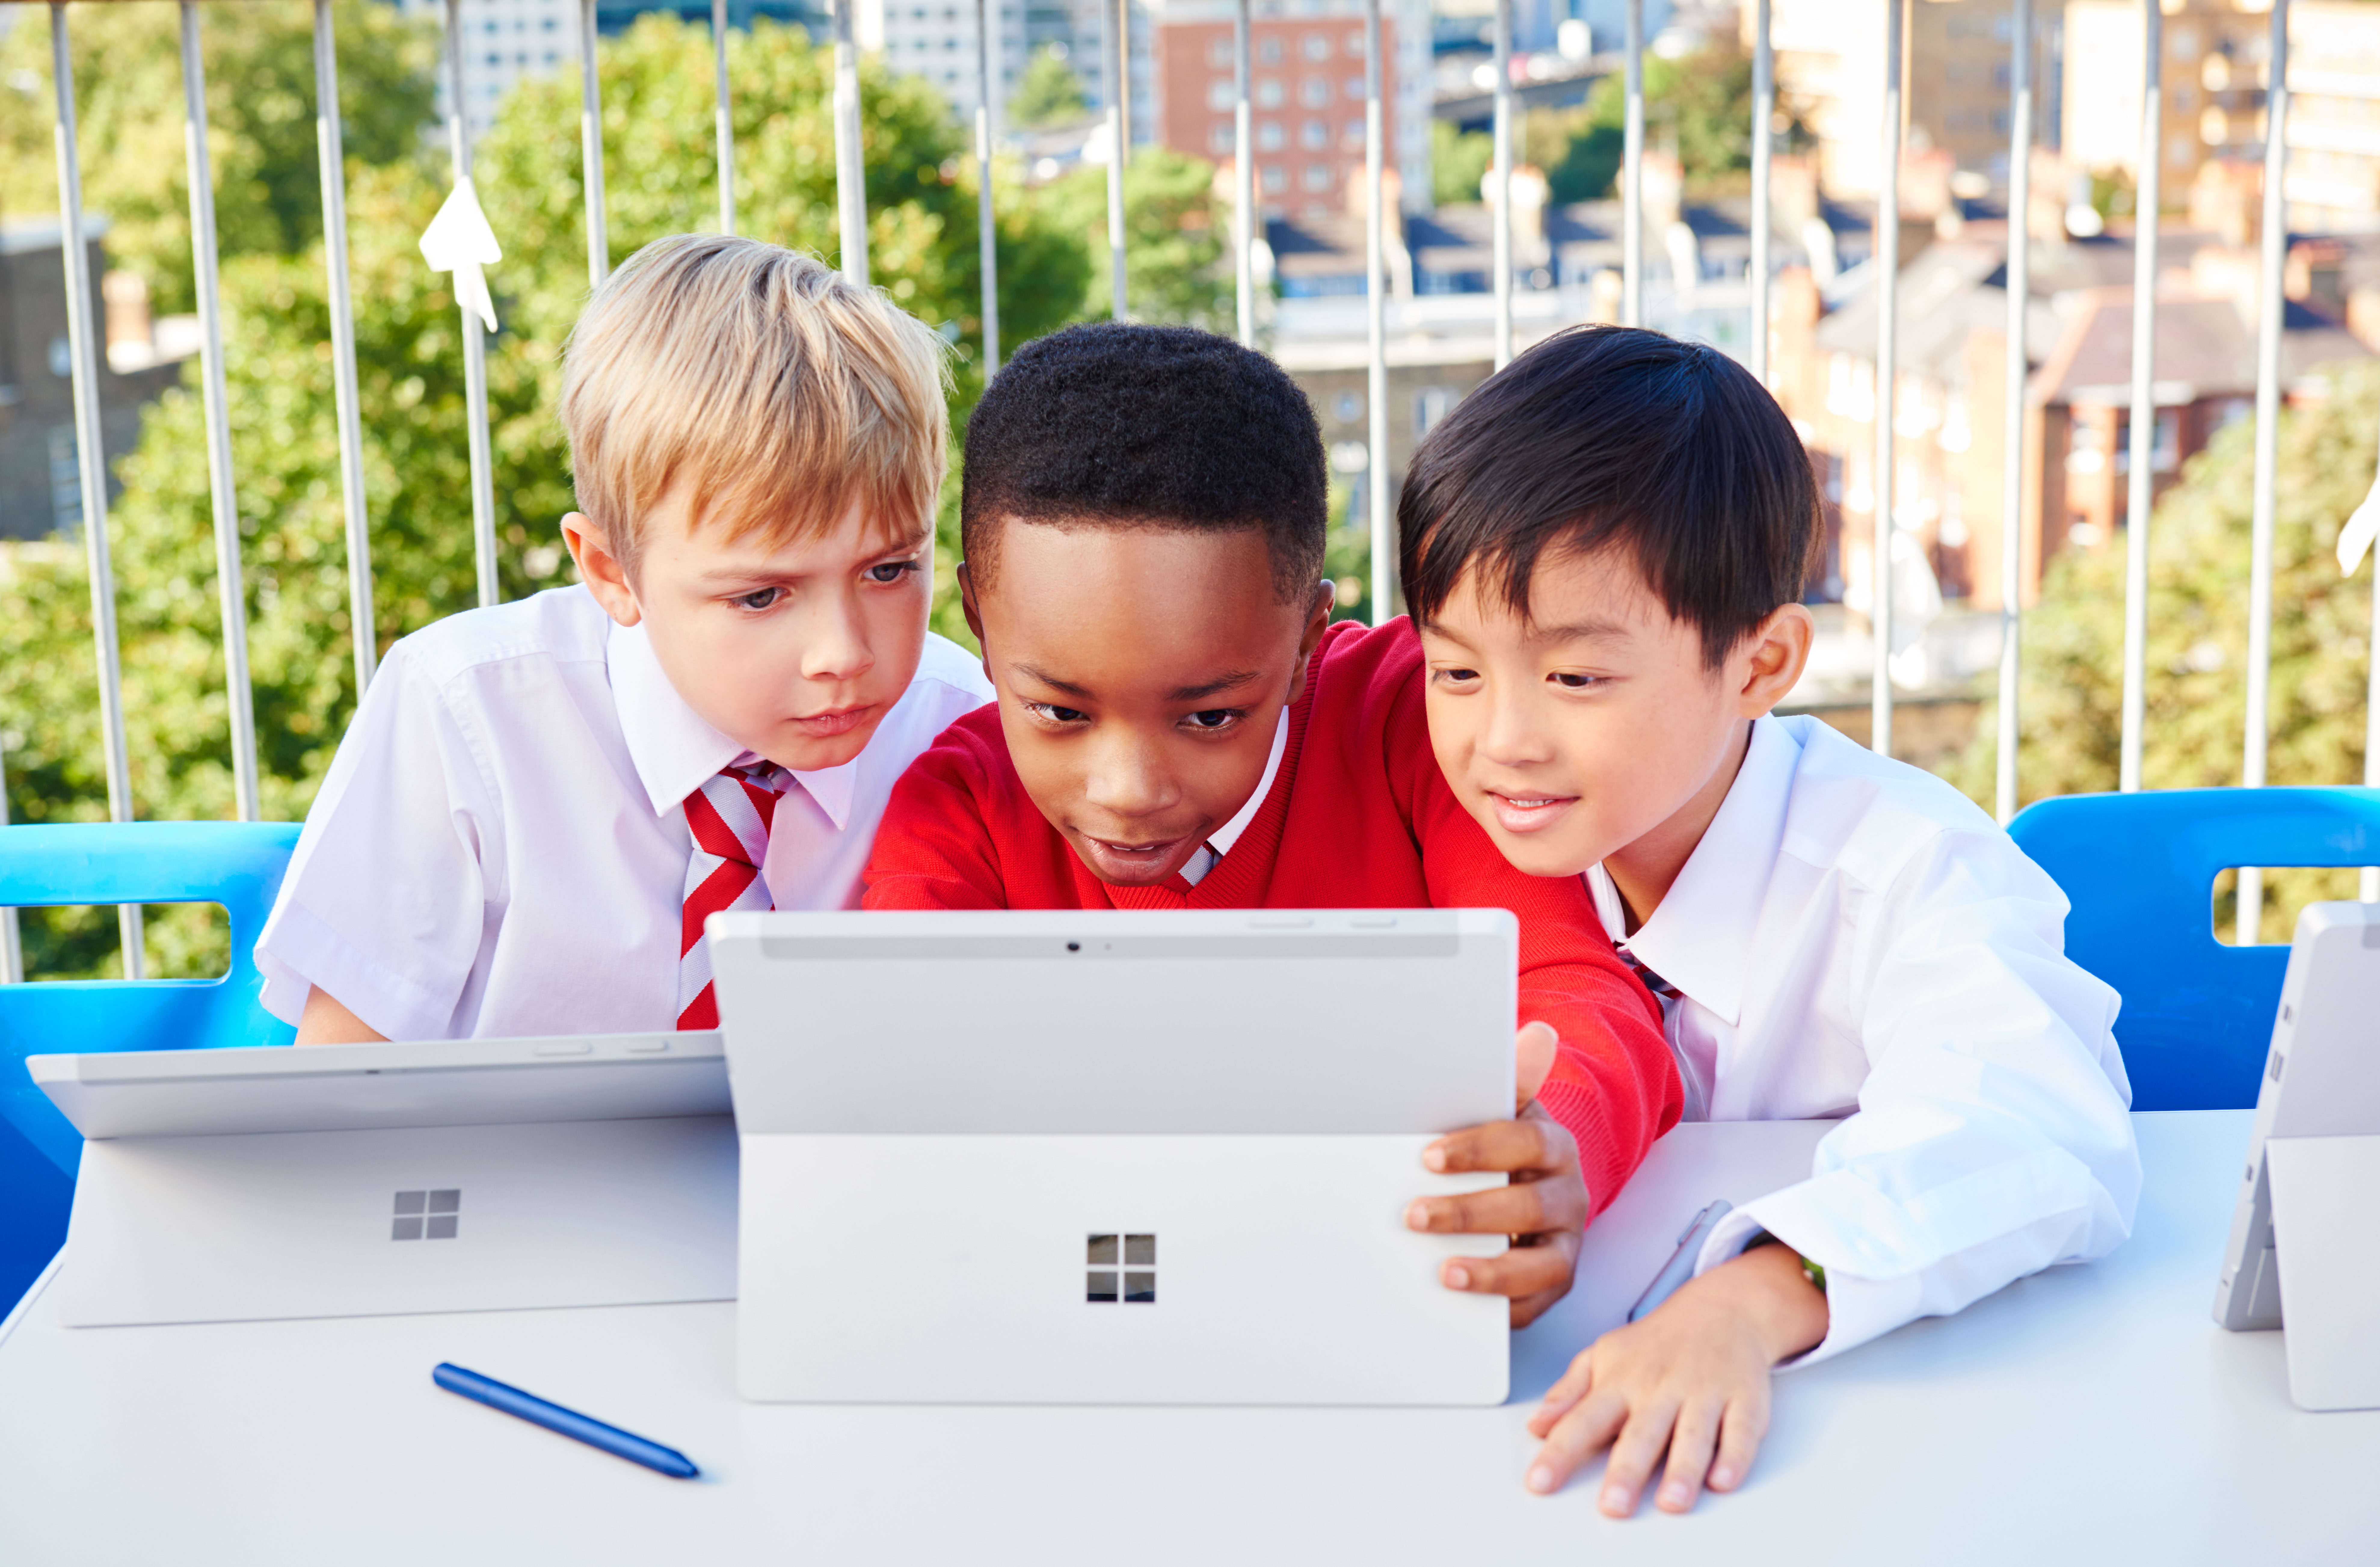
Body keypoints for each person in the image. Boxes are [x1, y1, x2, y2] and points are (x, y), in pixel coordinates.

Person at [1398, 325, 2139, 1513]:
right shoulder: (1455, 845)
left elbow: (2030, 1123)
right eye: (1455, 671)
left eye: (1575, 677)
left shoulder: (1907, 866)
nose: (1502, 741)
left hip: (1889, 1467)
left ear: (1760, 664)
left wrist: (1745, 1299)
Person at [863, 322, 1683, 1325]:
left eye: (1209, 715)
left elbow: (1572, 994)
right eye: (1060, 713)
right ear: (982, 631)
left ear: (1303, 643)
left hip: (1377, 1291)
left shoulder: (1410, 722)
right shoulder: (955, 813)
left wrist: (1554, 1144)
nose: (1126, 787)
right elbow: (905, 1095)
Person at [256, 235, 991, 1043]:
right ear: (610, 572)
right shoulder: (465, 713)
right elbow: (342, 1091)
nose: (843, 653)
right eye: (759, 595)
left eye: (889, 571)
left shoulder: (964, 731)